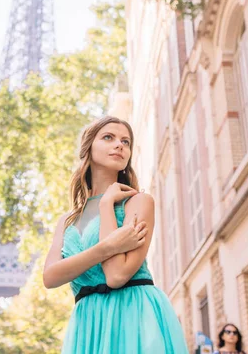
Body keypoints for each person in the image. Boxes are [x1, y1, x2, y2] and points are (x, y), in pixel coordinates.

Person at [43, 116, 189, 353]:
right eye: (108, 137)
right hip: (88, 324)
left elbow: (117, 275)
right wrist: (108, 247)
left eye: (126, 141)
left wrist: (106, 206)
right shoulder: (67, 220)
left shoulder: (139, 202)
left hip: (133, 315)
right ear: (88, 147)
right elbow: (50, 278)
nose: (119, 145)